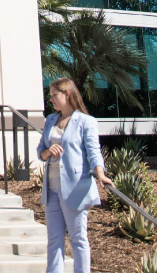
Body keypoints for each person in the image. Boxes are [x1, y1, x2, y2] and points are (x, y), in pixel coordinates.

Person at [37, 78, 113, 273]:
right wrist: (47, 152)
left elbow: (94, 152)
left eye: (55, 95)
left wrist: (100, 174)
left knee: (78, 239)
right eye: (51, 94)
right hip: (52, 189)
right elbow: (41, 151)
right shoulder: (50, 120)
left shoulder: (86, 122)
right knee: (54, 240)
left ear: (67, 94)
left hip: (75, 189)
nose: (51, 98)